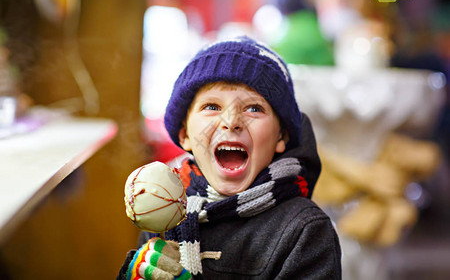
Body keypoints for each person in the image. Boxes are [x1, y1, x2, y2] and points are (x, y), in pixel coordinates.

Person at [118, 36, 342, 279]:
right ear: (185, 135)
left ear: (281, 137)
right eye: (212, 106)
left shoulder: (304, 230)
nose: (231, 122)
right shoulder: (164, 206)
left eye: (254, 108)